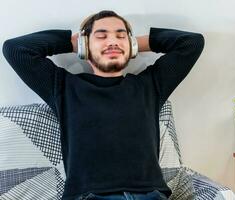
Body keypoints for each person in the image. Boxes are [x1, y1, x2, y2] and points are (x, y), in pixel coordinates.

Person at [2, 10, 204, 200]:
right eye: (101, 36)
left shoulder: (151, 85)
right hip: (89, 196)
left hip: (150, 194)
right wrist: (74, 43)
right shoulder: (63, 87)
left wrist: (134, 43)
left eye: (120, 35)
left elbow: (191, 43)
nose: (113, 41)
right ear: (85, 45)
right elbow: (16, 49)